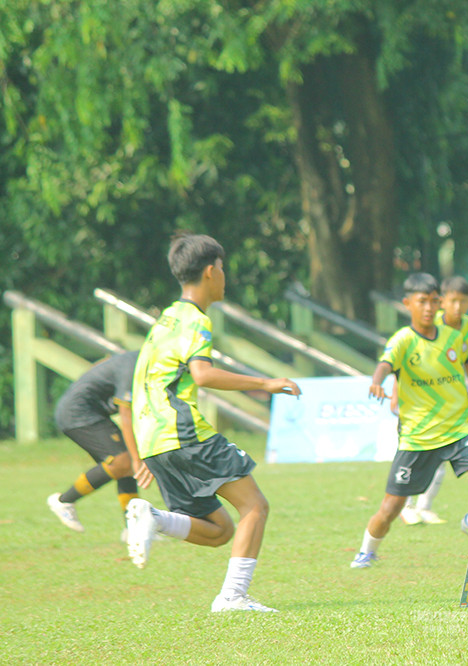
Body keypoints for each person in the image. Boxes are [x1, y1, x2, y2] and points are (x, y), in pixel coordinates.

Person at [125, 232, 301, 613]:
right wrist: (266, 383)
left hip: (154, 441)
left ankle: (154, 519)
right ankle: (233, 596)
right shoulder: (195, 320)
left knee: (220, 531)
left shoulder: (166, 320)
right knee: (255, 506)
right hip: (183, 433)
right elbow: (202, 375)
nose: (224, 276)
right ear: (209, 272)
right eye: (222, 268)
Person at [352, 272, 468, 568]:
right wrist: (376, 381)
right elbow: (385, 364)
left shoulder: (454, 338)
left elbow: (457, 384)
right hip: (418, 437)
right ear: (408, 303)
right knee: (390, 508)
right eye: (420, 301)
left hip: (458, 430)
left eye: (432, 301)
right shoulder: (403, 341)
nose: (427, 307)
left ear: (438, 303)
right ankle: (367, 550)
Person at [399, 275, 468, 526]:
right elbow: (405, 359)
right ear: (442, 302)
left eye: (463, 301)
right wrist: (396, 393)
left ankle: (424, 507)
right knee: (421, 453)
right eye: (452, 301)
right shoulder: (430, 324)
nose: (458, 307)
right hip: (424, 399)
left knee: (442, 452)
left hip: (451, 397)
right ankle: (407, 506)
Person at [47, 351, 141, 536]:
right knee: (123, 461)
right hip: (78, 414)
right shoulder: (133, 365)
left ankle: (133, 529)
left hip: (90, 413)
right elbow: (125, 412)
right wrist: (137, 457)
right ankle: (64, 501)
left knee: (124, 464)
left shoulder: (136, 360)